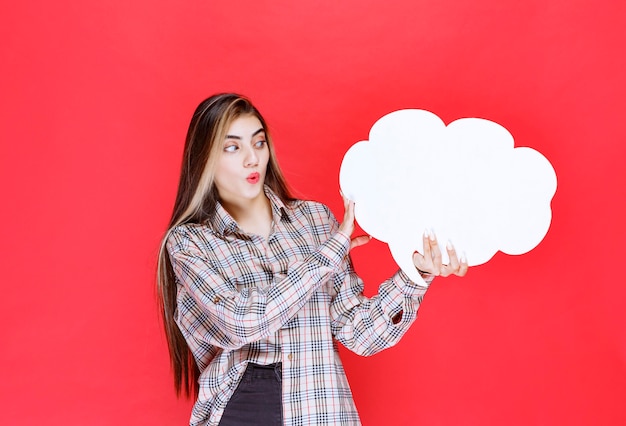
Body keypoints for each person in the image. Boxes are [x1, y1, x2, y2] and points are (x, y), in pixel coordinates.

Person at [156, 93, 468, 426]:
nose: (252, 159)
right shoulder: (190, 242)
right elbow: (242, 321)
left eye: (259, 143)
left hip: (320, 408)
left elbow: (359, 334)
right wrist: (326, 256)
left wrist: (414, 274)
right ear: (205, 158)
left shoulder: (316, 221)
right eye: (232, 148)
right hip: (242, 408)